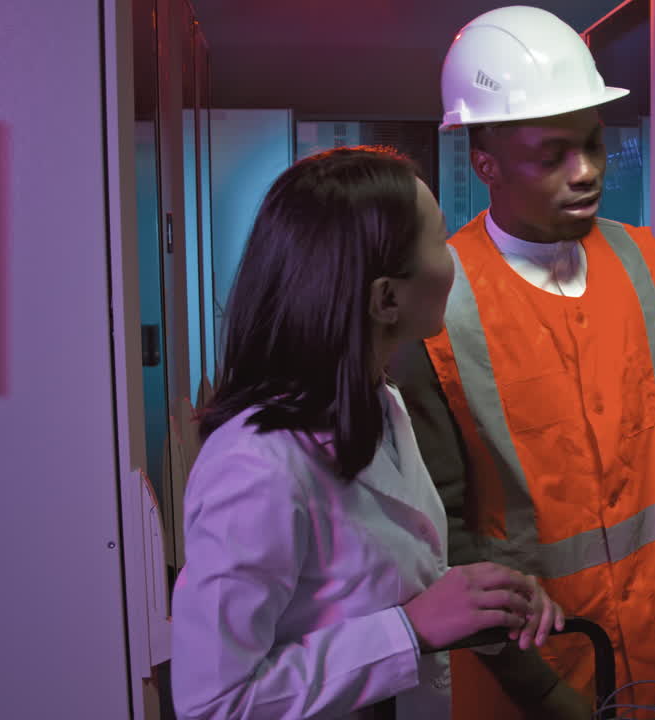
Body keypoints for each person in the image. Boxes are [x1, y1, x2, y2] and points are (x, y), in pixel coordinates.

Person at [391, 6, 655, 718]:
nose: (587, 172)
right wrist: (550, 698)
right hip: (539, 677)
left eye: (594, 146)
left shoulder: (639, 257)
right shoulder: (438, 307)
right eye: (553, 156)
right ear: (486, 165)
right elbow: (443, 541)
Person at [169, 146, 565, 720]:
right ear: (386, 298)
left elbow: (364, 586)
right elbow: (215, 702)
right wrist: (411, 631)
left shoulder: (377, 401)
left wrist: (479, 600)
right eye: (440, 240)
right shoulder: (255, 464)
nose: (453, 256)